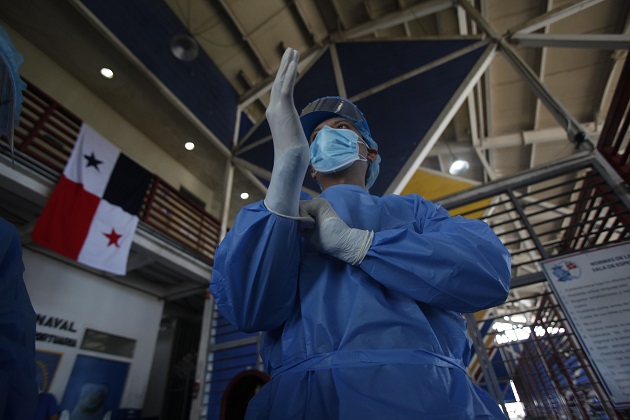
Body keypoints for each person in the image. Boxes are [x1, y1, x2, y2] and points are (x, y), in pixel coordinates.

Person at [210, 47, 511, 419]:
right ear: (311, 167)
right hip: (306, 402)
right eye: (314, 136)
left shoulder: (413, 211)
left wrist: (363, 245)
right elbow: (250, 308)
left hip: (428, 397)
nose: (325, 138)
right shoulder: (278, 220)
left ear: (369, 152)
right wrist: (285, 170)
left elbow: (487, 275)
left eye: (340, 129)